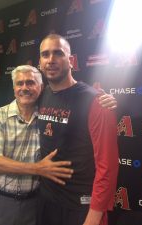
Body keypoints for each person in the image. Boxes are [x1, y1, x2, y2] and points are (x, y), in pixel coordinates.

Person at [0, 65, 74, 225]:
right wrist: (38, 168)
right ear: (14, 88)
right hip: (1, 204)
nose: (24, 88)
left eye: (30, 83)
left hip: (35, 205)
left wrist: (100, 98)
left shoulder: (48, 117)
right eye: (19, 83)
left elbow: (76, 99)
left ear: (41, 87)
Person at [37, 34, 119, 225]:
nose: (51, 60)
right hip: (46, 204)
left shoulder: (96, 102)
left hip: (80, 209)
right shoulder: (41, 95)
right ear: (39, 62)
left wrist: (93, 217)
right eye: (45, 54)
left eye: (58, 53)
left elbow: (107, 167)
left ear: (71, 60)